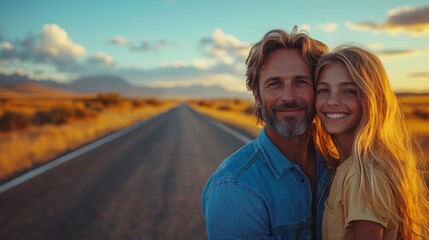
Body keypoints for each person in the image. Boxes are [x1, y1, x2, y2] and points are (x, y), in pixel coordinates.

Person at [201, 27, 330, 239]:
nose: (288, 97)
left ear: (318, 90)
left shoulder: (338, 166)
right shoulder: (235, 188)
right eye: (275, 84)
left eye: (301, 82)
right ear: (257, 95)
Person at [314, 45, 429, 239]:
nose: (332, 101)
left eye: (349, 91)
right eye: (323, 90)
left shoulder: (362, 177)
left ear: (371, 98)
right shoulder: (346, 165)